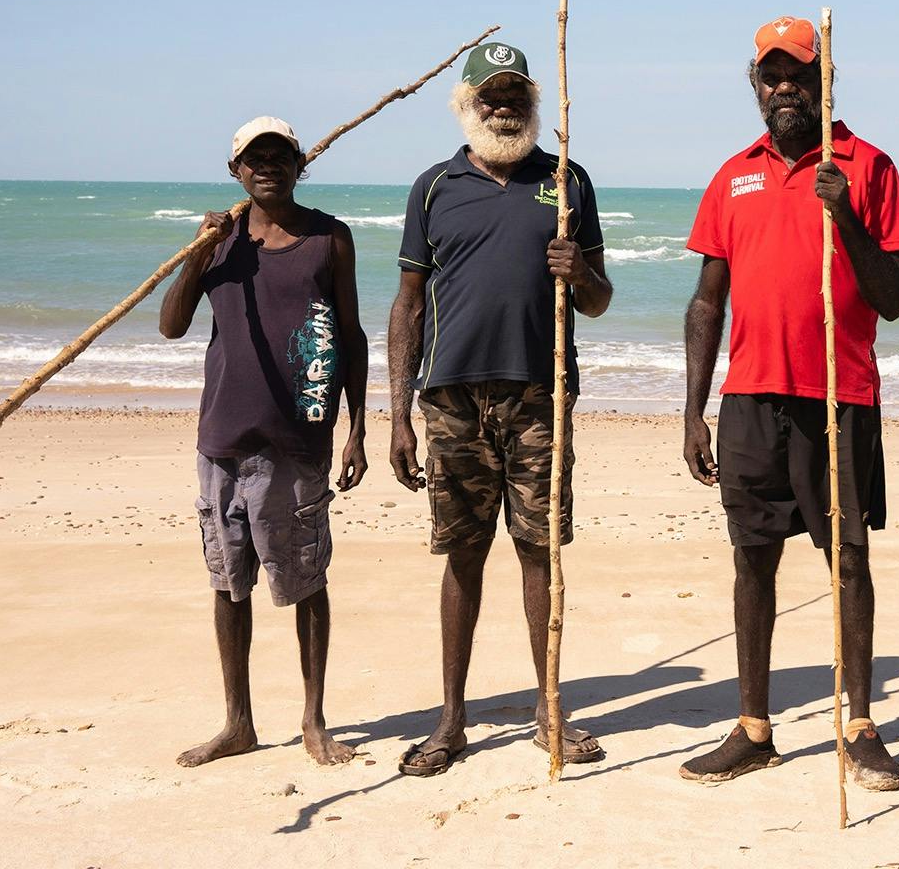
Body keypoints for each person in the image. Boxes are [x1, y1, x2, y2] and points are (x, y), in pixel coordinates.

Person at [680, 16, 899, 789]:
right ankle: (754, 727)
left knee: (847, 558)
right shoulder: (733, 173)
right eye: (771, 77)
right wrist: (693, 410)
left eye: (799, 76)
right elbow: (707, 302)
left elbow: (897, 299)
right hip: (749, 396)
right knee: (753, 559)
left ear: (824, 83)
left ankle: (859, 724)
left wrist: (843, 211)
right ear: (756, 87)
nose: (785, 89)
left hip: (837, 398)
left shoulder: (867, 166)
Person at [388, 41, 613, 776]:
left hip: (538, 395)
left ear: (534, 103)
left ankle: (549, 710)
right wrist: (396, 413)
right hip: (450, 398)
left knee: (540, 550)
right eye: (491, 94)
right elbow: (409, 304)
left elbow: (600, 299)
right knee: (461, 554)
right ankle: (451, 721)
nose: (504, 105)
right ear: (466, 103)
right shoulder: (432, 187)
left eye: (516, 94)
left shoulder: (567, 179)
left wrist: (579, 271)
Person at [159, 116, 369, 768]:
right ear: (235, 171)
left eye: (280, 156)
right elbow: (171, 325)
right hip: (222, 438)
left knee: (307, 583)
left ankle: (313, 721)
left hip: (299, 440)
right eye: (254, 158)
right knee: (229, 586)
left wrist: (357, 426)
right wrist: (199, 251)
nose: (267, 165)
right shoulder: (218, 242)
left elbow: (352, 336)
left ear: (300, 164)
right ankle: (237, 724)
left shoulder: (328, 237)